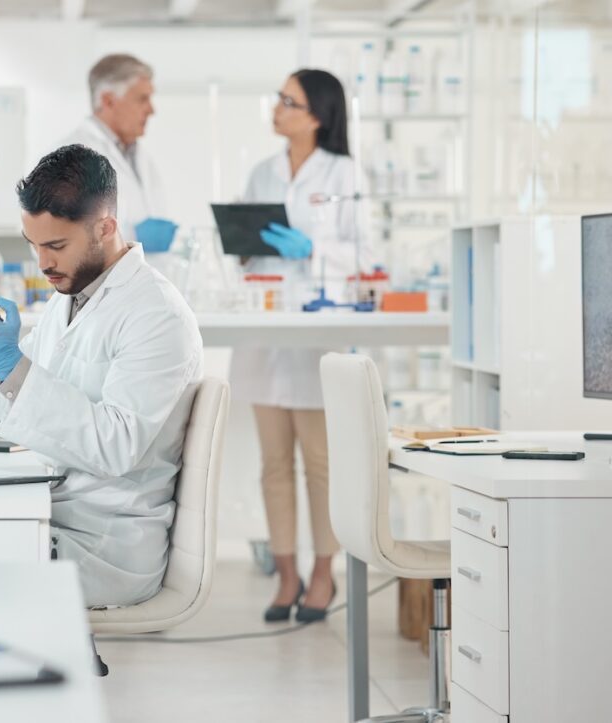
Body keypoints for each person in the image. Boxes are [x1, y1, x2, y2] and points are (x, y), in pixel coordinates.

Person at [0, 145, 203, 607]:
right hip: (55, 512)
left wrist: (12, 366)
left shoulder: (157, 315)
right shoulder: (71, 296)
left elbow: (116, 445)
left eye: (56, 246)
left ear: (105, 227)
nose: (43, 263)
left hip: (105, 544)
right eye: (34, 246)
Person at [229, 69, 372, 623]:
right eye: (279, 98)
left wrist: (312, 250)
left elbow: (362, 257)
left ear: (318, 114)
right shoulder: (261, 172)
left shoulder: (343, 172)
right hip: (266, 331)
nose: (278, 108)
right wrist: (239, 242)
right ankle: (285, 573)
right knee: (272, 465)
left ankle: (322, 573)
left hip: (318, 334)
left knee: (320, 463)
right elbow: (249, 255)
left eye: (290, 101)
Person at [62, 53, 176, 249]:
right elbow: (53, 238)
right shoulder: (69, 158)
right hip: (102, 280)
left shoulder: (141, 158)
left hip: (147, 276)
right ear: (108, 101)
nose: (151, 110)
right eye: (142, 99)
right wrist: (129, 237)